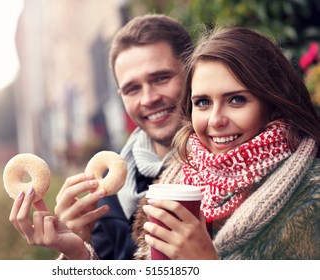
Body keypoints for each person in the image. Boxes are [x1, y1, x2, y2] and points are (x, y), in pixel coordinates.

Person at [8, 14, 193, 260]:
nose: (148, 98)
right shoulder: (108, 198)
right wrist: (77, 249)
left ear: (191, 74)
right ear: (121, 95)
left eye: (161, 78)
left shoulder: (232, 165)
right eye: (132, 89)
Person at [132, 26, 320, 259]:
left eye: (237, 100)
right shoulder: (174, 182)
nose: (215, 120)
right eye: (203, 102)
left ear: (272, 105)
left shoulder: (312, 198)